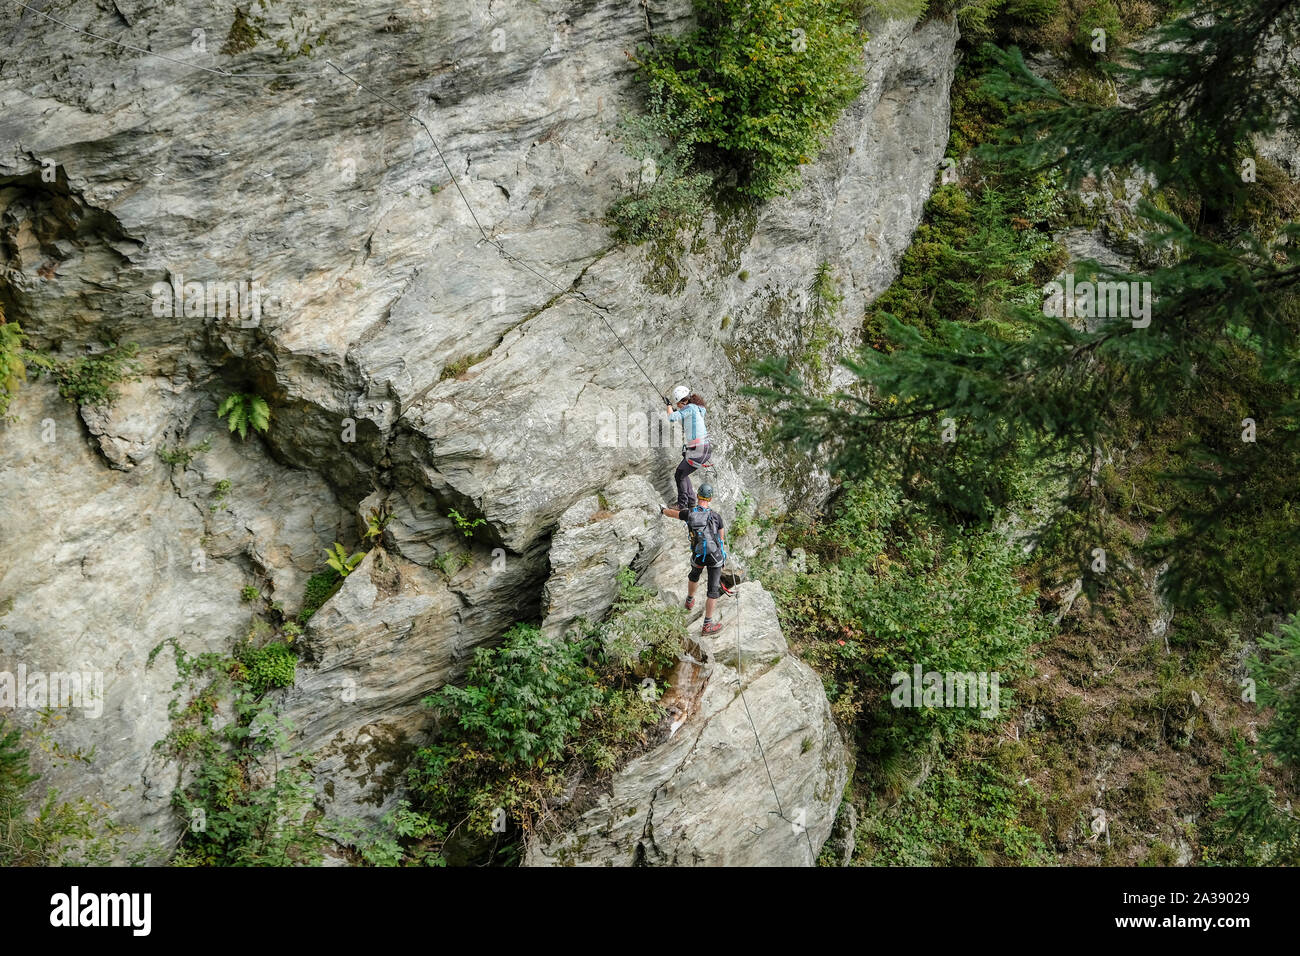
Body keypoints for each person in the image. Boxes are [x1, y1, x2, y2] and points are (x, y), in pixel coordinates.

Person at [660, 483, 726, 635]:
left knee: (694, 575)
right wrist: (722, 557)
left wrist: (662, 510)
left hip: (698, 553)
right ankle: (707, 625)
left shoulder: (688, 513)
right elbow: (720, 540)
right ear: (710, 498)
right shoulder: (716, 517)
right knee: (712, 590)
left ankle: (690, 600)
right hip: (714, 557)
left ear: (697, 496)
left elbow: (671, 513)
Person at [664, 385, 711, 510]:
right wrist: (677, 411)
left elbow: (671, 418)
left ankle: (682, 504)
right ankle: (690, 502)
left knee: (679, 474)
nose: (678, 405)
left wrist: (668, 406)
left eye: (678, 403)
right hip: (702, 448)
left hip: (698, 449)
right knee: (683, 473)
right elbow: (686, 420)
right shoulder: (698, 409)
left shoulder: (690, 408)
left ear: (683, 401)